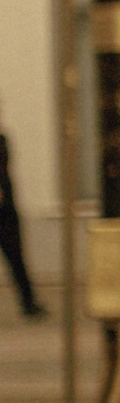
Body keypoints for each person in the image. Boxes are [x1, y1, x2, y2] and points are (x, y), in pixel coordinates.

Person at [0, 99, 42, 320]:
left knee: (17, 258)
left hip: (5, 212)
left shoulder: (2, 140)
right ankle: (29, 303)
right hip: (6, 211)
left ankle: (29, 302)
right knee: (16, 258)